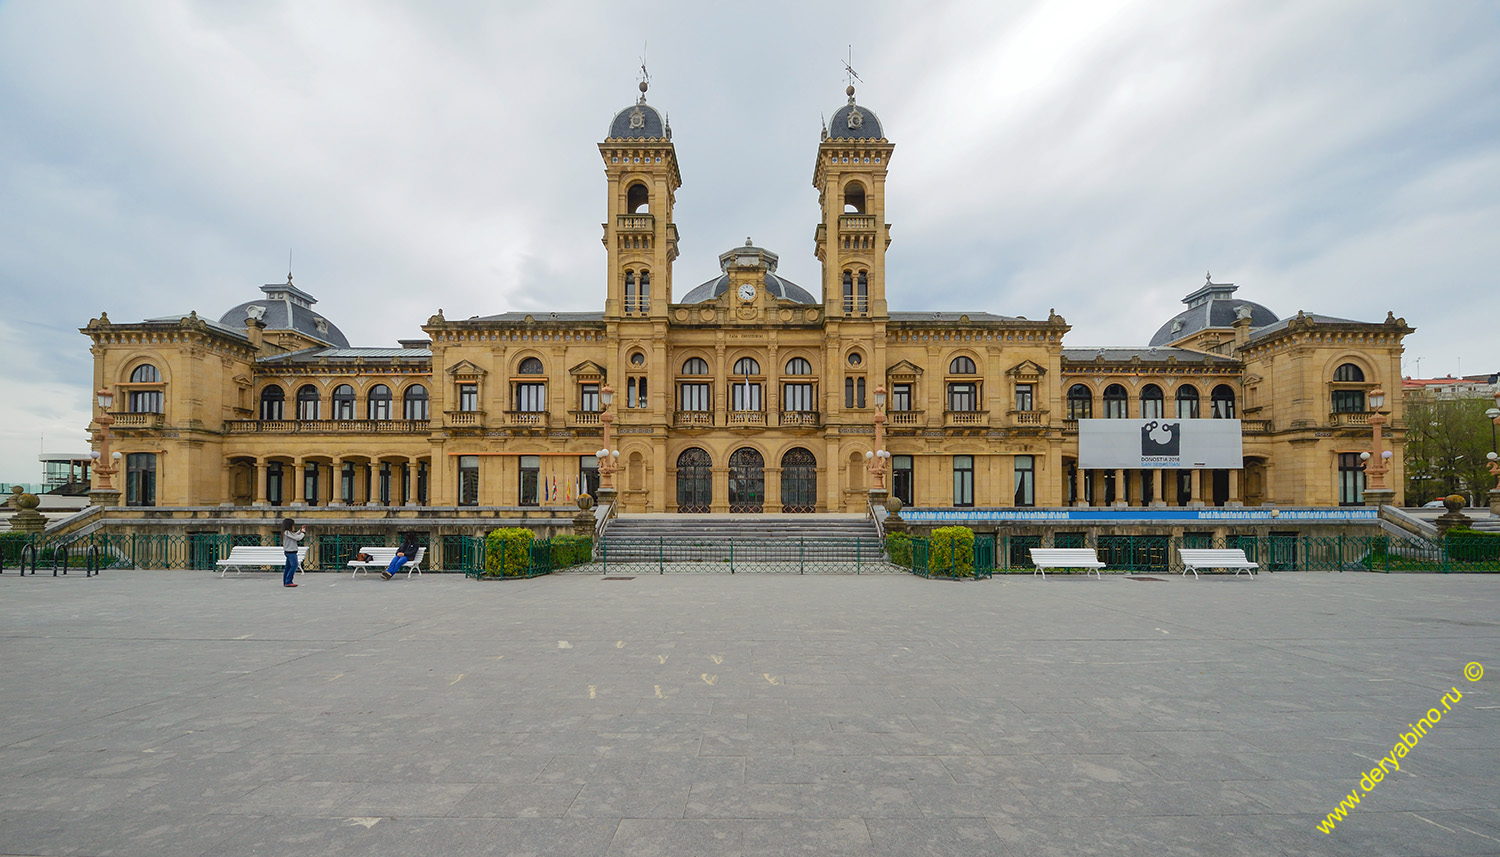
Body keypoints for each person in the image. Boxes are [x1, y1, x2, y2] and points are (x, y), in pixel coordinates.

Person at [282, 518, 306, 587]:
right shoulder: (287, 532)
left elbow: (294, 535)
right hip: (291, 552)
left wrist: (300, 530)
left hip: (289, 552)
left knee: (288, 567)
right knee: (294, 565)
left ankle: (285, 581)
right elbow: (297, 538)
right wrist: (303, 533)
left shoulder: (286, 532)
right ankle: (289, 581)